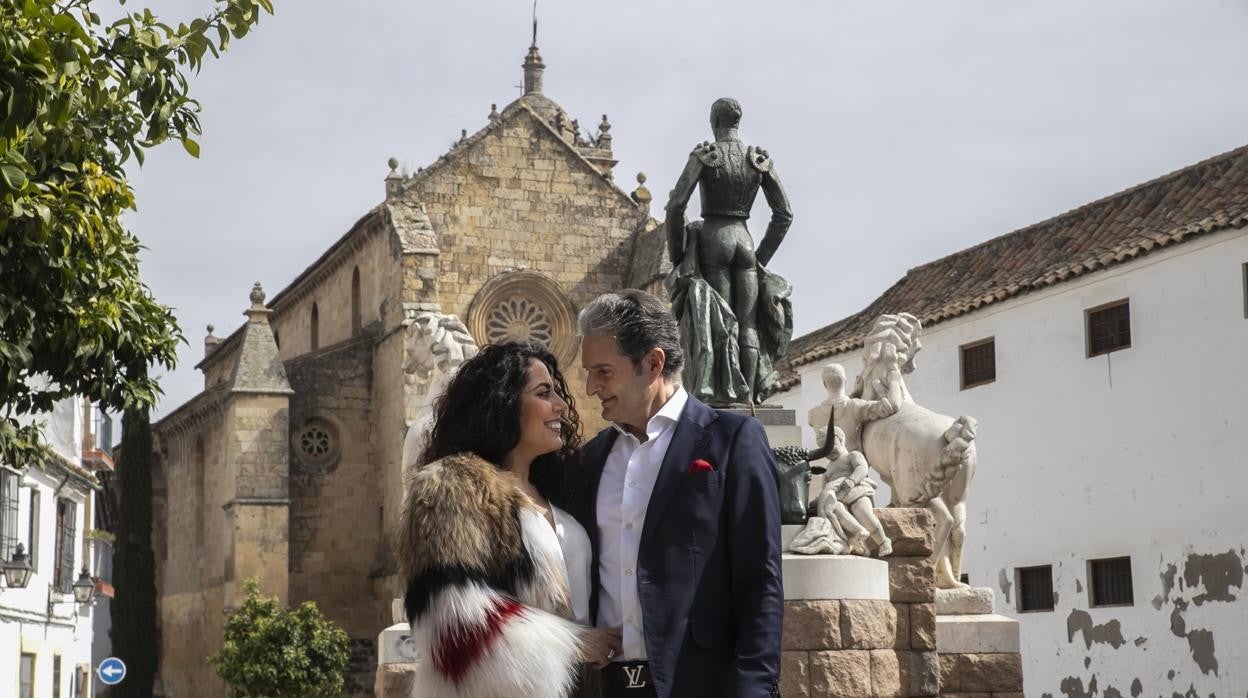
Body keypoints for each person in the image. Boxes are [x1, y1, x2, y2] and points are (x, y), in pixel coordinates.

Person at [577, 289, 783, 698]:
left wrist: (754, 688)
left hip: (702, 684)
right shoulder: (589, 460)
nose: (589, 387)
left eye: (602, 371)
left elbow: (760, 580)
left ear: (652, 364)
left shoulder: (733, 440)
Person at [398, 342, 621, 697]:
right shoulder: (450, 487)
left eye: (557, 393)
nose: (561, 405)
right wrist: (575, 645)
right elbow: (448, 621)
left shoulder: (559, 492)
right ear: (503, 403)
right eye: (544, 393)